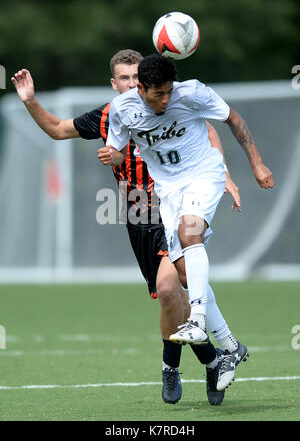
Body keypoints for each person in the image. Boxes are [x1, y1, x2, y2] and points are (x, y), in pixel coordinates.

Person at [12, 50, 244, 406]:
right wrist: (30, 101)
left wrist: (222, 174)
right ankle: (214, 359)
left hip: (174, 203)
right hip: (139, 217)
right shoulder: (109, 116)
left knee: (172, 290)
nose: (132, 84)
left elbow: (208, 129)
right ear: (114, 83)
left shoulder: (167, 104)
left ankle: (181, 365)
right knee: (171, 296)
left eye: (137, 78)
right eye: (124, 78)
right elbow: (58, 129)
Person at [99, 52, 274, 390]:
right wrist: (112, 155)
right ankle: (231, 347)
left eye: (169, 92)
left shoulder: (192, 93)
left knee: (189, 233)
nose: (165, 99)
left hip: (203, 175)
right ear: (141, 89)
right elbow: (119, 150)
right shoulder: (123, 109)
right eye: (158, 94)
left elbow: (233, 120)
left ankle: (195, 318)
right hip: (168, 189)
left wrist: (256, 163)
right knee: (182, 272)